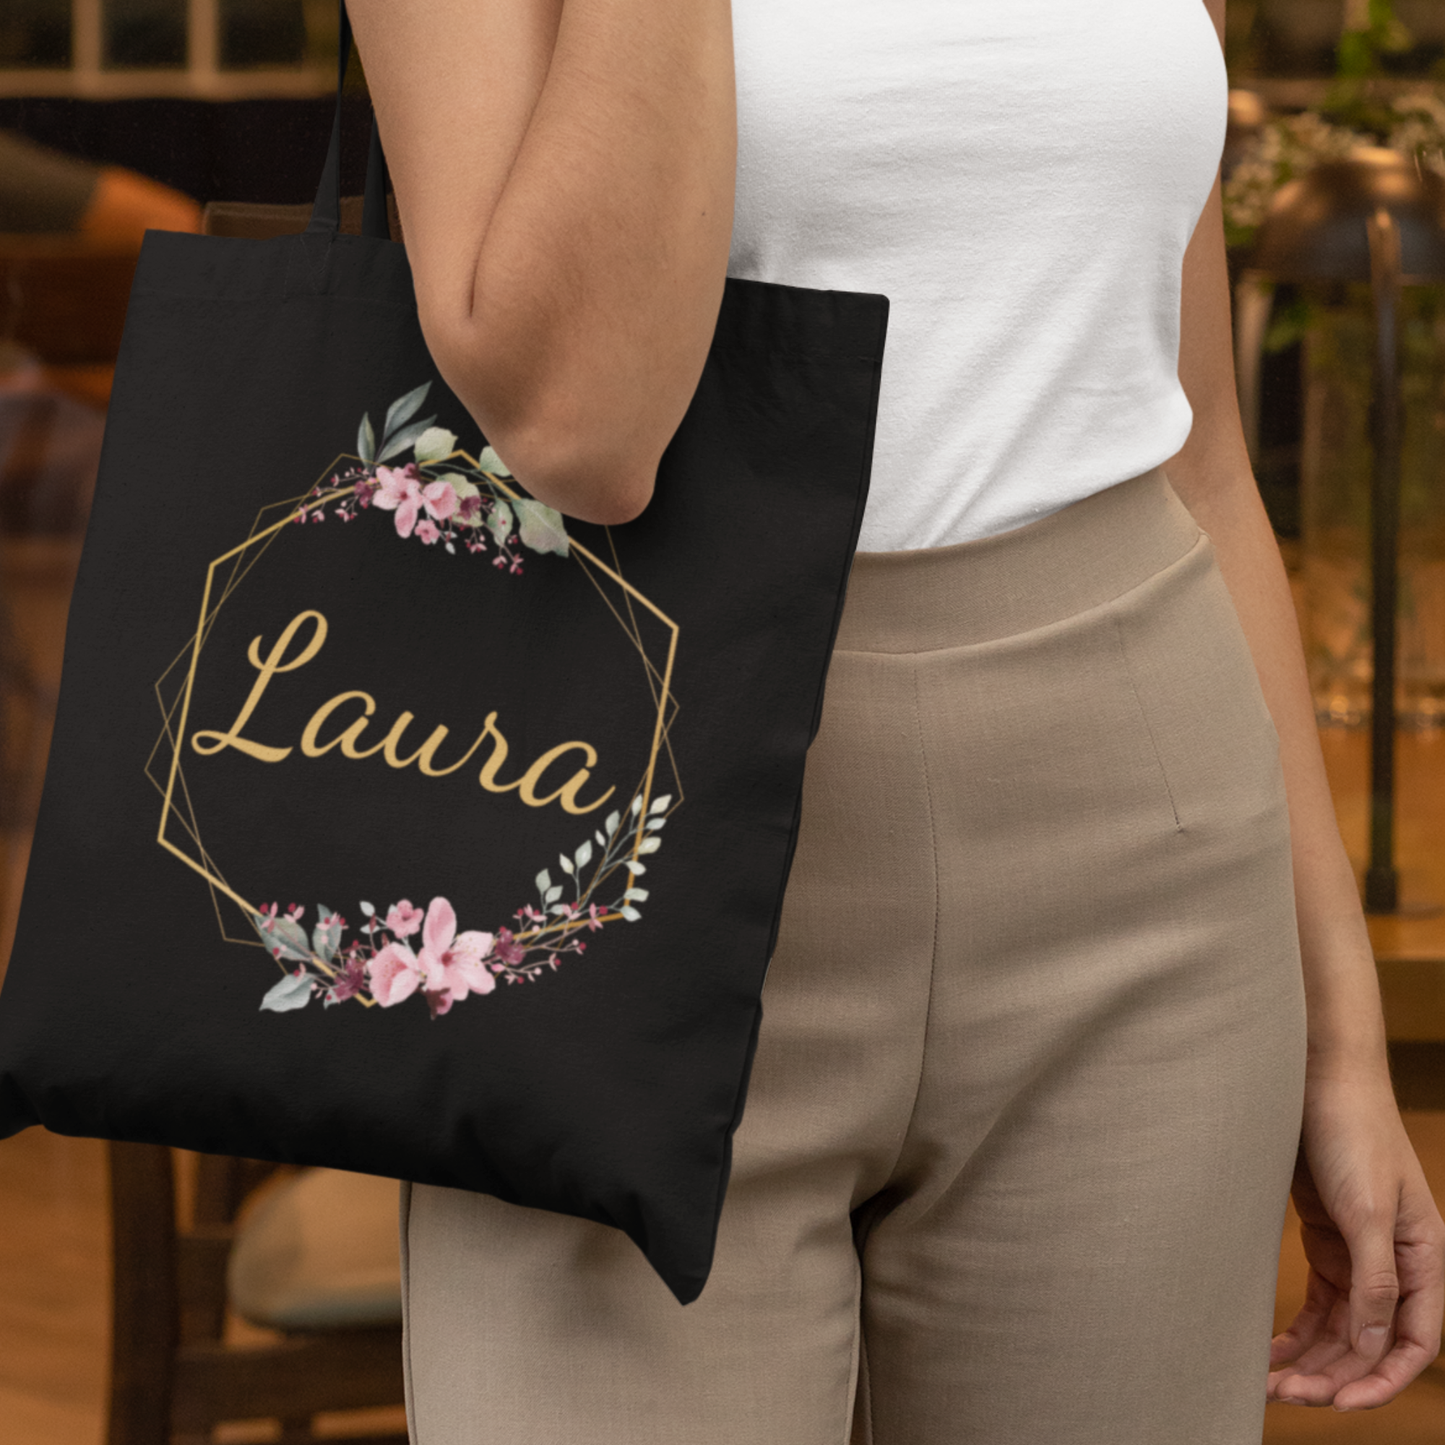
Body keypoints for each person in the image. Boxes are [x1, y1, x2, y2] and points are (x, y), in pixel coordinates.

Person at [347, 1, 1445, 1440]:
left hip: (1148, 873)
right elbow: (580, 432)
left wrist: (1340, 1037)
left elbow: (1200, 454)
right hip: (620, 858)